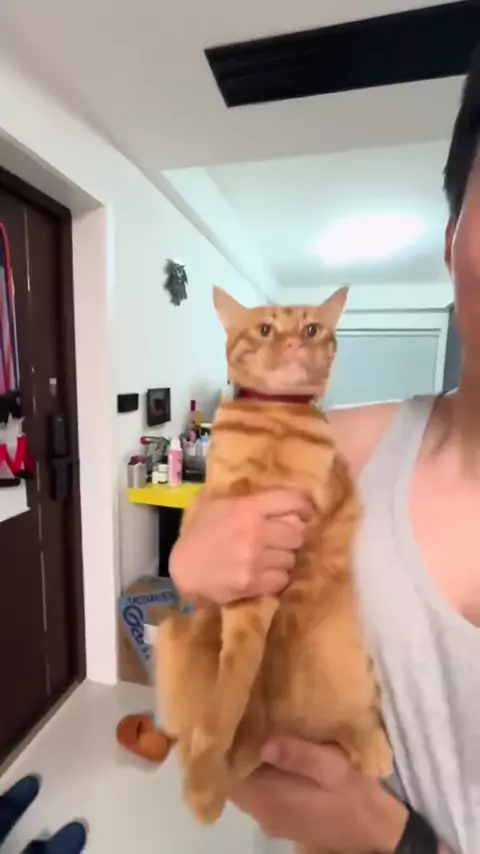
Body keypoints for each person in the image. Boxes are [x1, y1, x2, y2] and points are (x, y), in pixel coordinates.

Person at [169, 49, 480, 854]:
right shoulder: (340, 442)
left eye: (310, 337)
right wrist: (189, 561)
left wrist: (388, 836)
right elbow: (216, 596)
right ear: (452, 241)